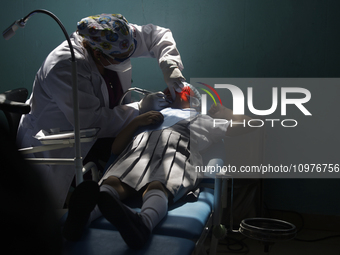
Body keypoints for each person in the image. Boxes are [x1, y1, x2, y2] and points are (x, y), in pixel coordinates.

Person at [17, 13, 185, 208]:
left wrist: (169, 64)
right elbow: (92, 121)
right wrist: (139, 111)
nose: (127, 60)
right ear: (98, 54)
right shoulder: (65, 66)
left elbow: (158, 35)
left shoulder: (117, 36)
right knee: (122, 175)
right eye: (121, 58)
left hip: (106, 133)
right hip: (61, 141)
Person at [62, 83, 254, 249]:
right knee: (111, 183)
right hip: (137, 152)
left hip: (176, 153)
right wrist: (137, 120)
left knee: (157, 184)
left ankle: (143, 224)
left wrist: (226, 113)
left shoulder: (202, 119)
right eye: (169, 90)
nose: (174, 89)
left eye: (184, 89)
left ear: (195, 100)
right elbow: (117, 148)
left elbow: (251, 124)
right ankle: (80, 220)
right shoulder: (149, 117)